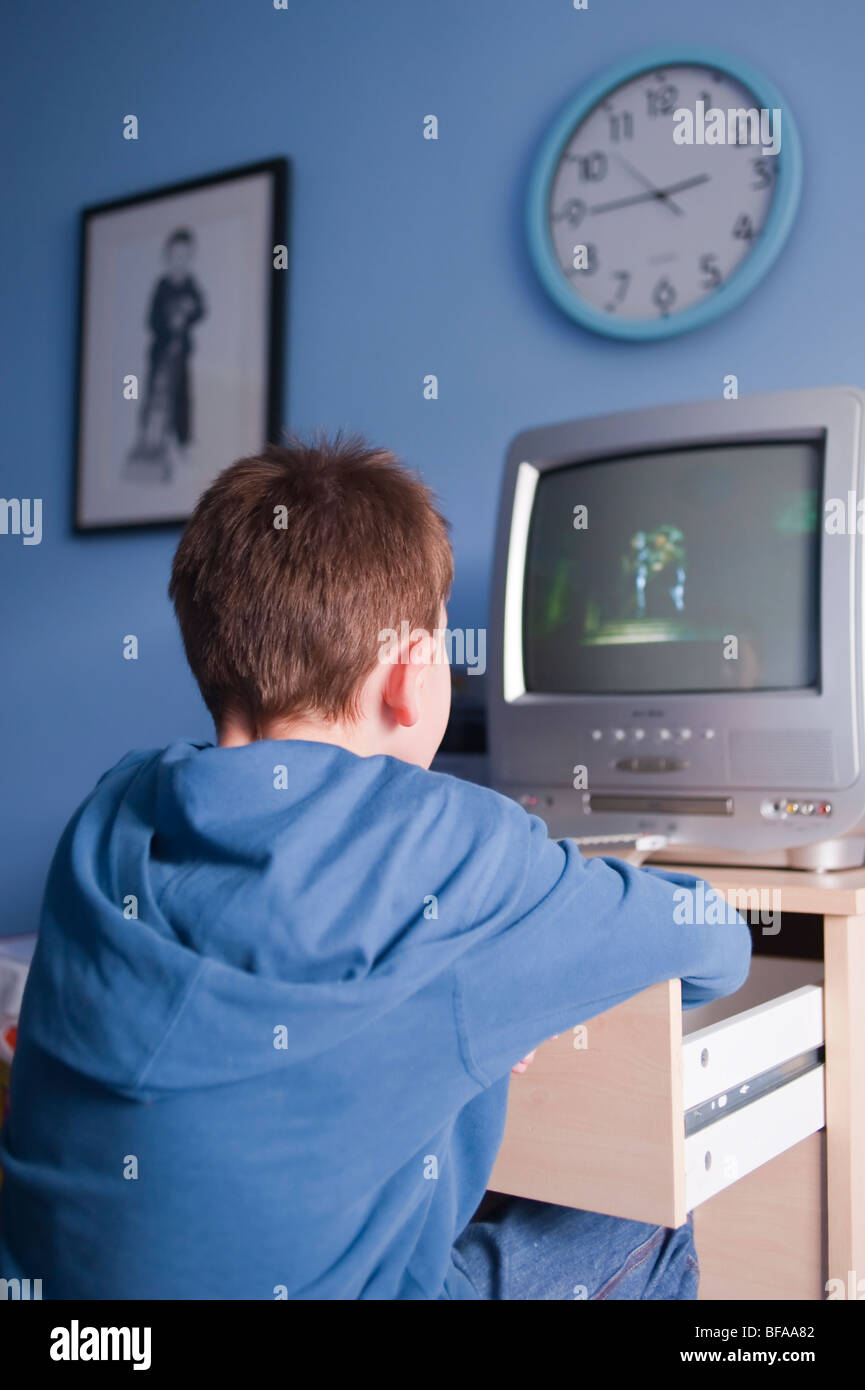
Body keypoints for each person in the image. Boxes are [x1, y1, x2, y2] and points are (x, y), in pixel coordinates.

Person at [0, 436, 750, 1299]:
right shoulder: (463, 848)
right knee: (648, 1215)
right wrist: (538, 973)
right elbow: (715, 943)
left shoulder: (110, 810)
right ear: (410, 675)